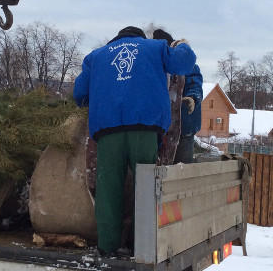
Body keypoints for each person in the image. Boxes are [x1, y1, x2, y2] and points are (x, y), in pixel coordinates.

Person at [73, 26, 196, 256]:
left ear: (115, 38)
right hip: (145, 131)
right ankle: (142, 247)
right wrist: (183, 46)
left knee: (108, 190)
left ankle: (107, 248)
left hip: (107, 133)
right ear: (140, 37)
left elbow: (80, 94)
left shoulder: (96, 57)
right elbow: (184, 64)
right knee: (146, 188)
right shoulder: (155, 47)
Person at [153, 29, 203, 164]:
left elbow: (195, 85)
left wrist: (192, 98)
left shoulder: (188, 66)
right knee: (159, 167)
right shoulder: (157, 68)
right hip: (160, 128)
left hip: (184, 126)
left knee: (181, 168)